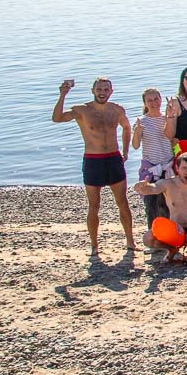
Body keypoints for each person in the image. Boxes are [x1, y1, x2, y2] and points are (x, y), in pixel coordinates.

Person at [53, 78, 136, 253]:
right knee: (94, 205)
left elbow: (127, 128)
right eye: (99, 89)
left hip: (113, 158)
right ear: (93, 91)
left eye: (106, 89)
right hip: (93, 159)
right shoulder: (82, 110)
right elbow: (57, 118)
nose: (102, 92)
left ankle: (130, 242)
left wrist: (125, 151)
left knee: (122, 202)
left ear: (111, 91)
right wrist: (63, 95)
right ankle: (94, 245)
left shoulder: (117, 109)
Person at [134, 152, 187, 265]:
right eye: (184, 168)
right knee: (147, 239)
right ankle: (172, 249)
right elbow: (152, 188)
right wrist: (141, 187)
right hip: (175, 230)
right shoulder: (168, 184)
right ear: (177, 168)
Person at [131, 87, 172, 227]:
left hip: (168, 165)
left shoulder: (168, 118)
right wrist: (137, 132)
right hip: (151, 167)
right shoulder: (141, 121)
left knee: (170, 204)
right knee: (152, 205)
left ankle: (171, 235)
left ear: (161, 100)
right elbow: (135, 145)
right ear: (145, 103)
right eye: (150, 100)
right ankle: (153, 234)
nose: (154, 103)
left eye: (156, 99)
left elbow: (174, 141)